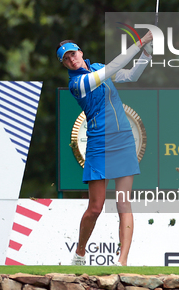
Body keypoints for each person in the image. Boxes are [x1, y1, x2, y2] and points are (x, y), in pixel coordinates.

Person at [57, 31, 153, 266]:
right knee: (96, 207)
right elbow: (110, 70)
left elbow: (130, 76)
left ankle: (122, 261)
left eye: (73, 54)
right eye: (66, 59)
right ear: (64, 64)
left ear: (80, 52)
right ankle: (80, 253)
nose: (71, 60)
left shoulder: (97, 66)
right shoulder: (76, 84)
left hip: (123, 141)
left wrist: (147, 53)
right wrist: (140, 42)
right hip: (100, 144)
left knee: (123, 202)